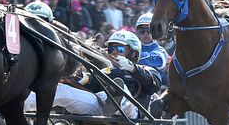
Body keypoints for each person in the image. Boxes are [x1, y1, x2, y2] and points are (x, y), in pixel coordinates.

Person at [25, 30, 161, 119]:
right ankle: (21, 102)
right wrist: (78, 77)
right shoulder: (108, 71)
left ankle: (116, 98)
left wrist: (132, 68)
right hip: (100, 105)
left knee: (119, 88)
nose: (113, 52)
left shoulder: (146, 69)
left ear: (133, 53)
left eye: (119, 48)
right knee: (62, 90)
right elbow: (93, 82)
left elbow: (154, 85)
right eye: (111, 48)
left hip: (131, 111)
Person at [135, 13, 169, 85]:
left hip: (151, 92)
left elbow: (149, 60)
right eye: (142, 31)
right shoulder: (132, 48)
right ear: (137, 32)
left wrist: (126, 56)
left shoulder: (161, 52)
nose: (145, 33)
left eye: (149, 31)